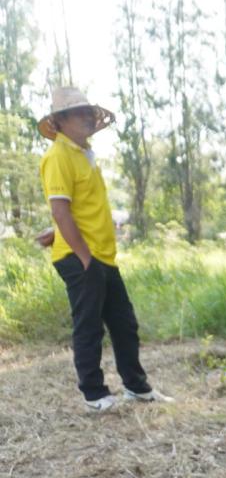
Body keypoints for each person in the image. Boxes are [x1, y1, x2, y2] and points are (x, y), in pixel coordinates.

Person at [37, 86, 171, 412]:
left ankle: (136, 387)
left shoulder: (86, 155)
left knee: (124, 323)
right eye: (78, 112)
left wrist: (61, 235)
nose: (87, 116)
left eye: (89, 111)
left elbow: (79, 210)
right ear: (60, 120)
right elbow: (60, 210)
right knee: (89, 326)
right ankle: (94, 394)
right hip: (81, 257)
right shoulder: (58, 156)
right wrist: (85, 258)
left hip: (102, 255)